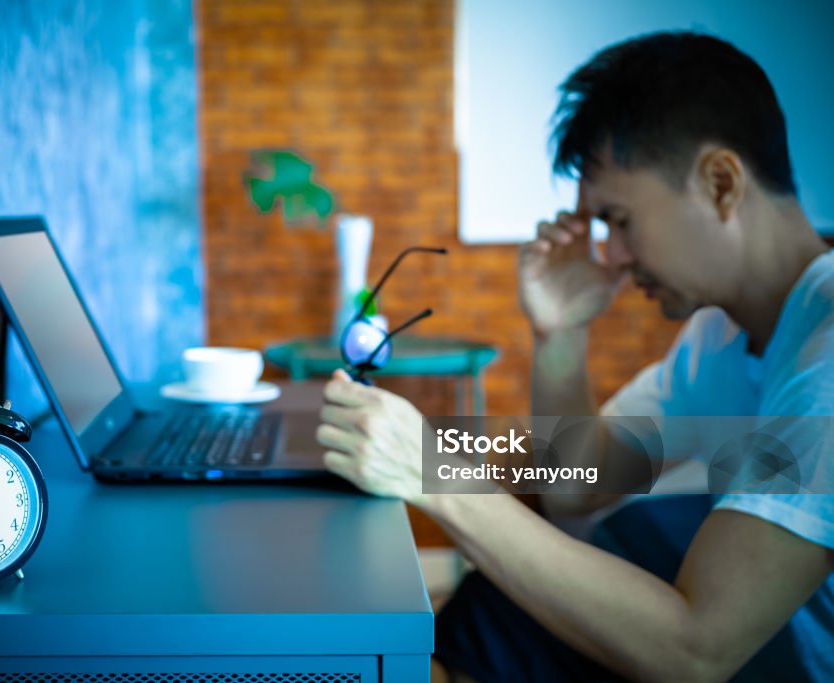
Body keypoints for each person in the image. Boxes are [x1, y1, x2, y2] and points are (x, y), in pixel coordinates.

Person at [316, 32, 834, 682]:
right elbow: (576, 481)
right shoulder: (719, 335)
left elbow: (698, 648)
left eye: (619, 219)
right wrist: (559, 332)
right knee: (488, 610)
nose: (608, 253)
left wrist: (436, 476)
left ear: (721, 183)